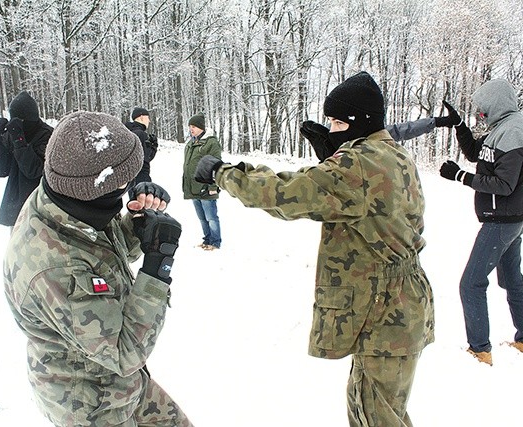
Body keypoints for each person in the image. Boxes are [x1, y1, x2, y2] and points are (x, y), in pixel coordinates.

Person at [195, 71, 434, 426]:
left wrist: (224, 172)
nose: (333, 128)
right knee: (369, 406)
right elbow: (360, 203)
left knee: (378, 416)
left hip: (385, 309)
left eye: (339, 122)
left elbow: (284, 194)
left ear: (361, 122)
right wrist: (334, 159)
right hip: (394, 305)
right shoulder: (392, 153)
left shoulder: (359, 163)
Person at [3, 111, 193, 427]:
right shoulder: (55, 267)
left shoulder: (61, 199)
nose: (129, 184)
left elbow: (97, 248)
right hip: (92, 405)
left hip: (119, 384)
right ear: (96, 190)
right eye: (124, 181)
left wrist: (138, 226)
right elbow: (125, 352)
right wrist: (158, 269)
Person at [439, 79, 523, 366]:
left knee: (471, 283)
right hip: (509, 220)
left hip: (501, 221)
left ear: (496, 104)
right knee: (512, 279)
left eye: (483, 110)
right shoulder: (501, 129)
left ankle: (479, 350)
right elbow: (477, 153)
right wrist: (459, 125)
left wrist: (460, 176)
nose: (481, 115)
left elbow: (504, 184)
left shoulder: (513, 131)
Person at [300, 101, 463, 162]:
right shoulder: (331, 133)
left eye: (339, 122)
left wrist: (437, 122)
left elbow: (402, 130)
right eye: (333, 122)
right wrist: (326, 162)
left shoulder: (373, 135)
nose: (336, 128)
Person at [0, 90, 54, 227]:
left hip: (41, 206)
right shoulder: (14, 133)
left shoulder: (47, 135)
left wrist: (20, 142)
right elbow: (2, 169)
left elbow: (35, 171)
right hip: (16, 206)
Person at [182, 113, 222, 250]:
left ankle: (215, 242)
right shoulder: (190, 144)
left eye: (193, 126)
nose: (191, 129)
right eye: (189, 126)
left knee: (211, 217)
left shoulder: (211, 143)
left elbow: (216, 165)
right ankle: (207, 240)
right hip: (193, 187)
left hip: (206, 187)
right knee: (202, 218)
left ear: (201, 127)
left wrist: (212, 185)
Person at [125, 107, 158, 196]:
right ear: (142, 117)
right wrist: (154, 145)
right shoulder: (141, 134)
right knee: (144, 206)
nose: (149, 121)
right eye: (148, 118)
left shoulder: (128, 133)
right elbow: (146, 158)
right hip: (141, 176)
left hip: (130, 177)